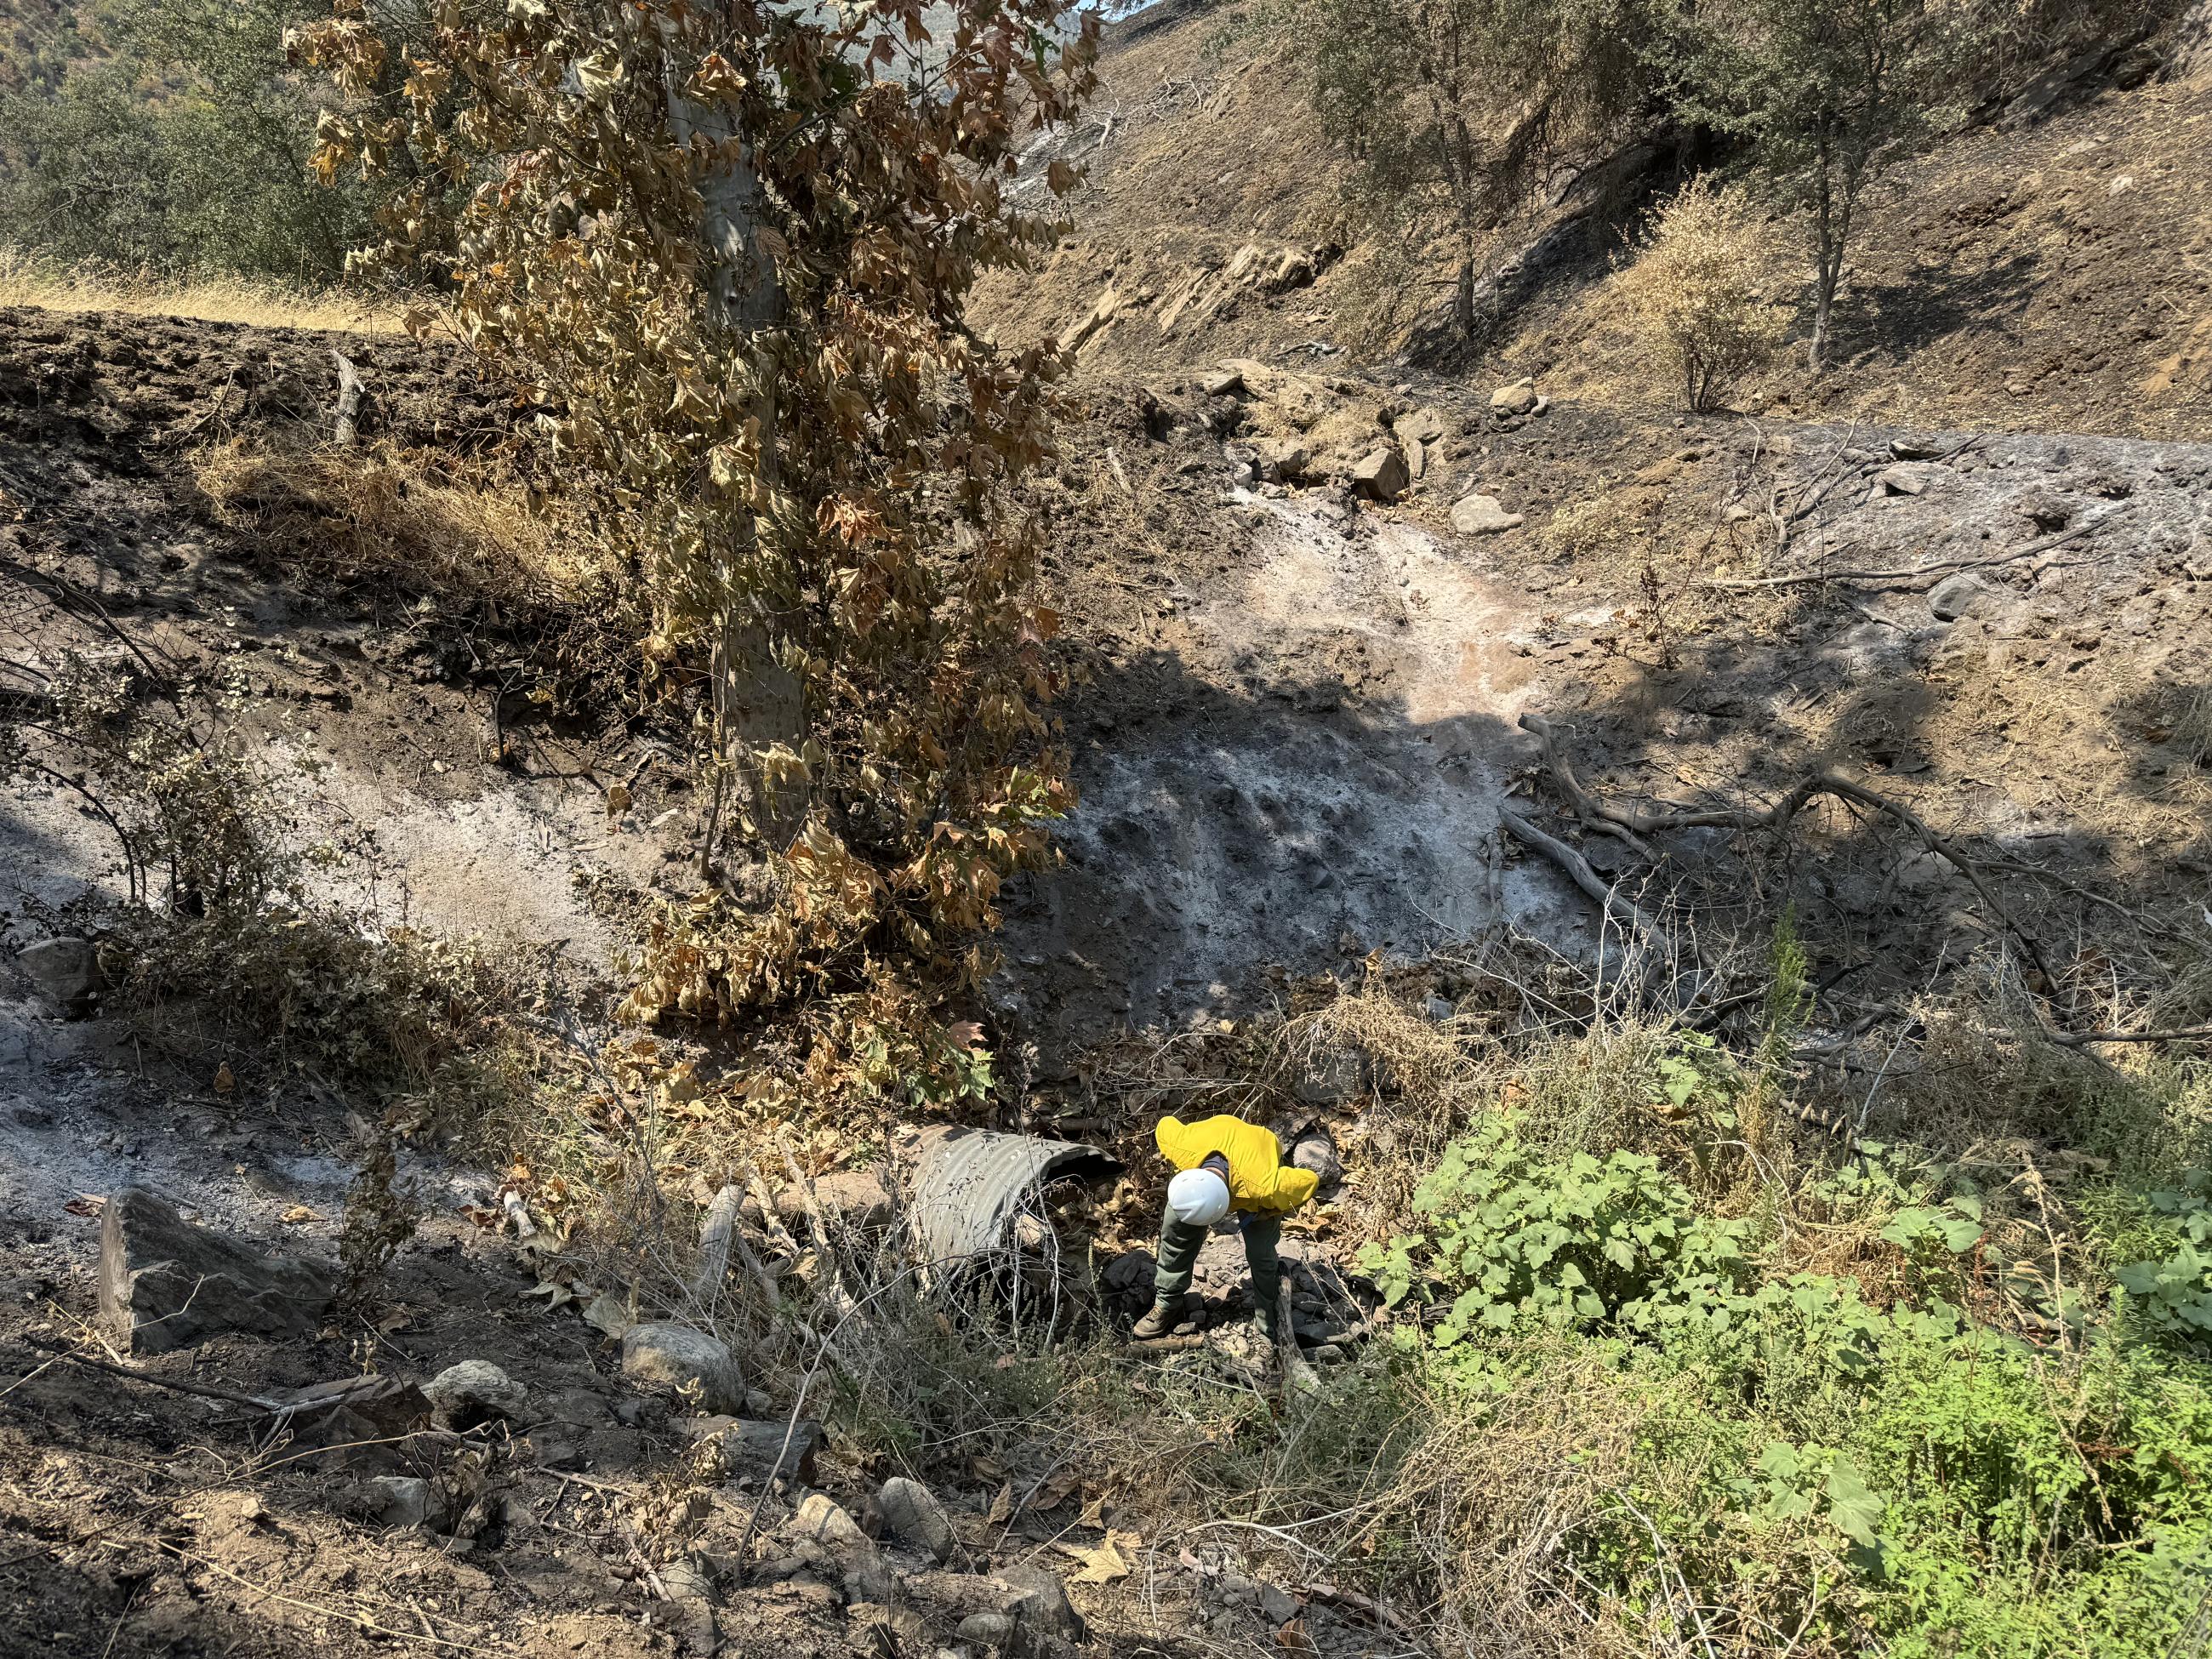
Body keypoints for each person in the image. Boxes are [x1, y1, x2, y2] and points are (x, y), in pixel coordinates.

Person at [1132, 1113, 1319, 1341]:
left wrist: (1272, 1208)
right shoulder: (1179, 1146)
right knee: (1175, 1233)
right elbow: (1164, 1124)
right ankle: (1168, 1304)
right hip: (1207, 1143)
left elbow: (1309, 1180)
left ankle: (1267, 1317)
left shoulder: (1265, 1186)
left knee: (1261, 1253)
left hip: (1258, 1150)